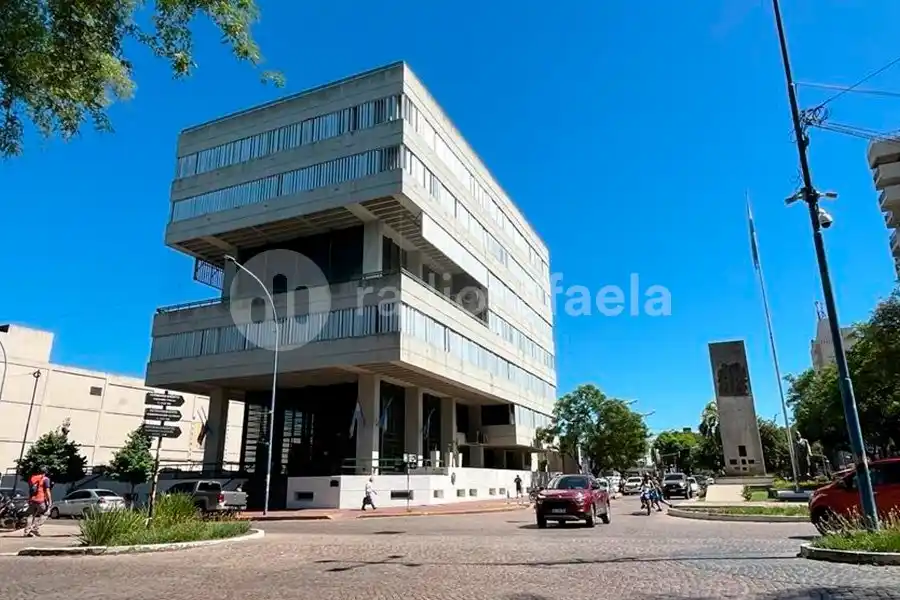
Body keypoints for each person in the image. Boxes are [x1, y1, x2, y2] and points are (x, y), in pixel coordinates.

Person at [23, 466, 52, 537]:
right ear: (46, 472)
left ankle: (26, 532)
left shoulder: (32, 478)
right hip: (41, 500)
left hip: (32, 500)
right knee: (46, 513)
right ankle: (34, 528)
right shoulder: (45, 479)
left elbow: (31, 489)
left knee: (30, 515)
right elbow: (47, 491)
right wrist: (50, 501)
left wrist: (30, 499)